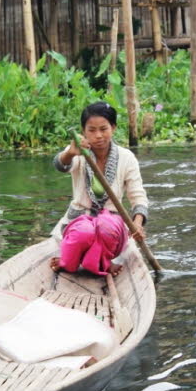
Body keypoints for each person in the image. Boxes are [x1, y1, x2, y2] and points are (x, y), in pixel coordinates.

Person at [50, 102, 148, 277]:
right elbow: (61, 165)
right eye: (92, 130)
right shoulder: (79, 151)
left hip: (110, 228)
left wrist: (137, 224)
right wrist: (70, 153)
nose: (98, 136)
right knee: (85, 232)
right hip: (79, 220)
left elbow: (138, 196)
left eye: (104, 129)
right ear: (83, 131)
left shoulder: (127, 158)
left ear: (113, 128)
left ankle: (102, 261)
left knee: (104, 227)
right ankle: (71, 260)